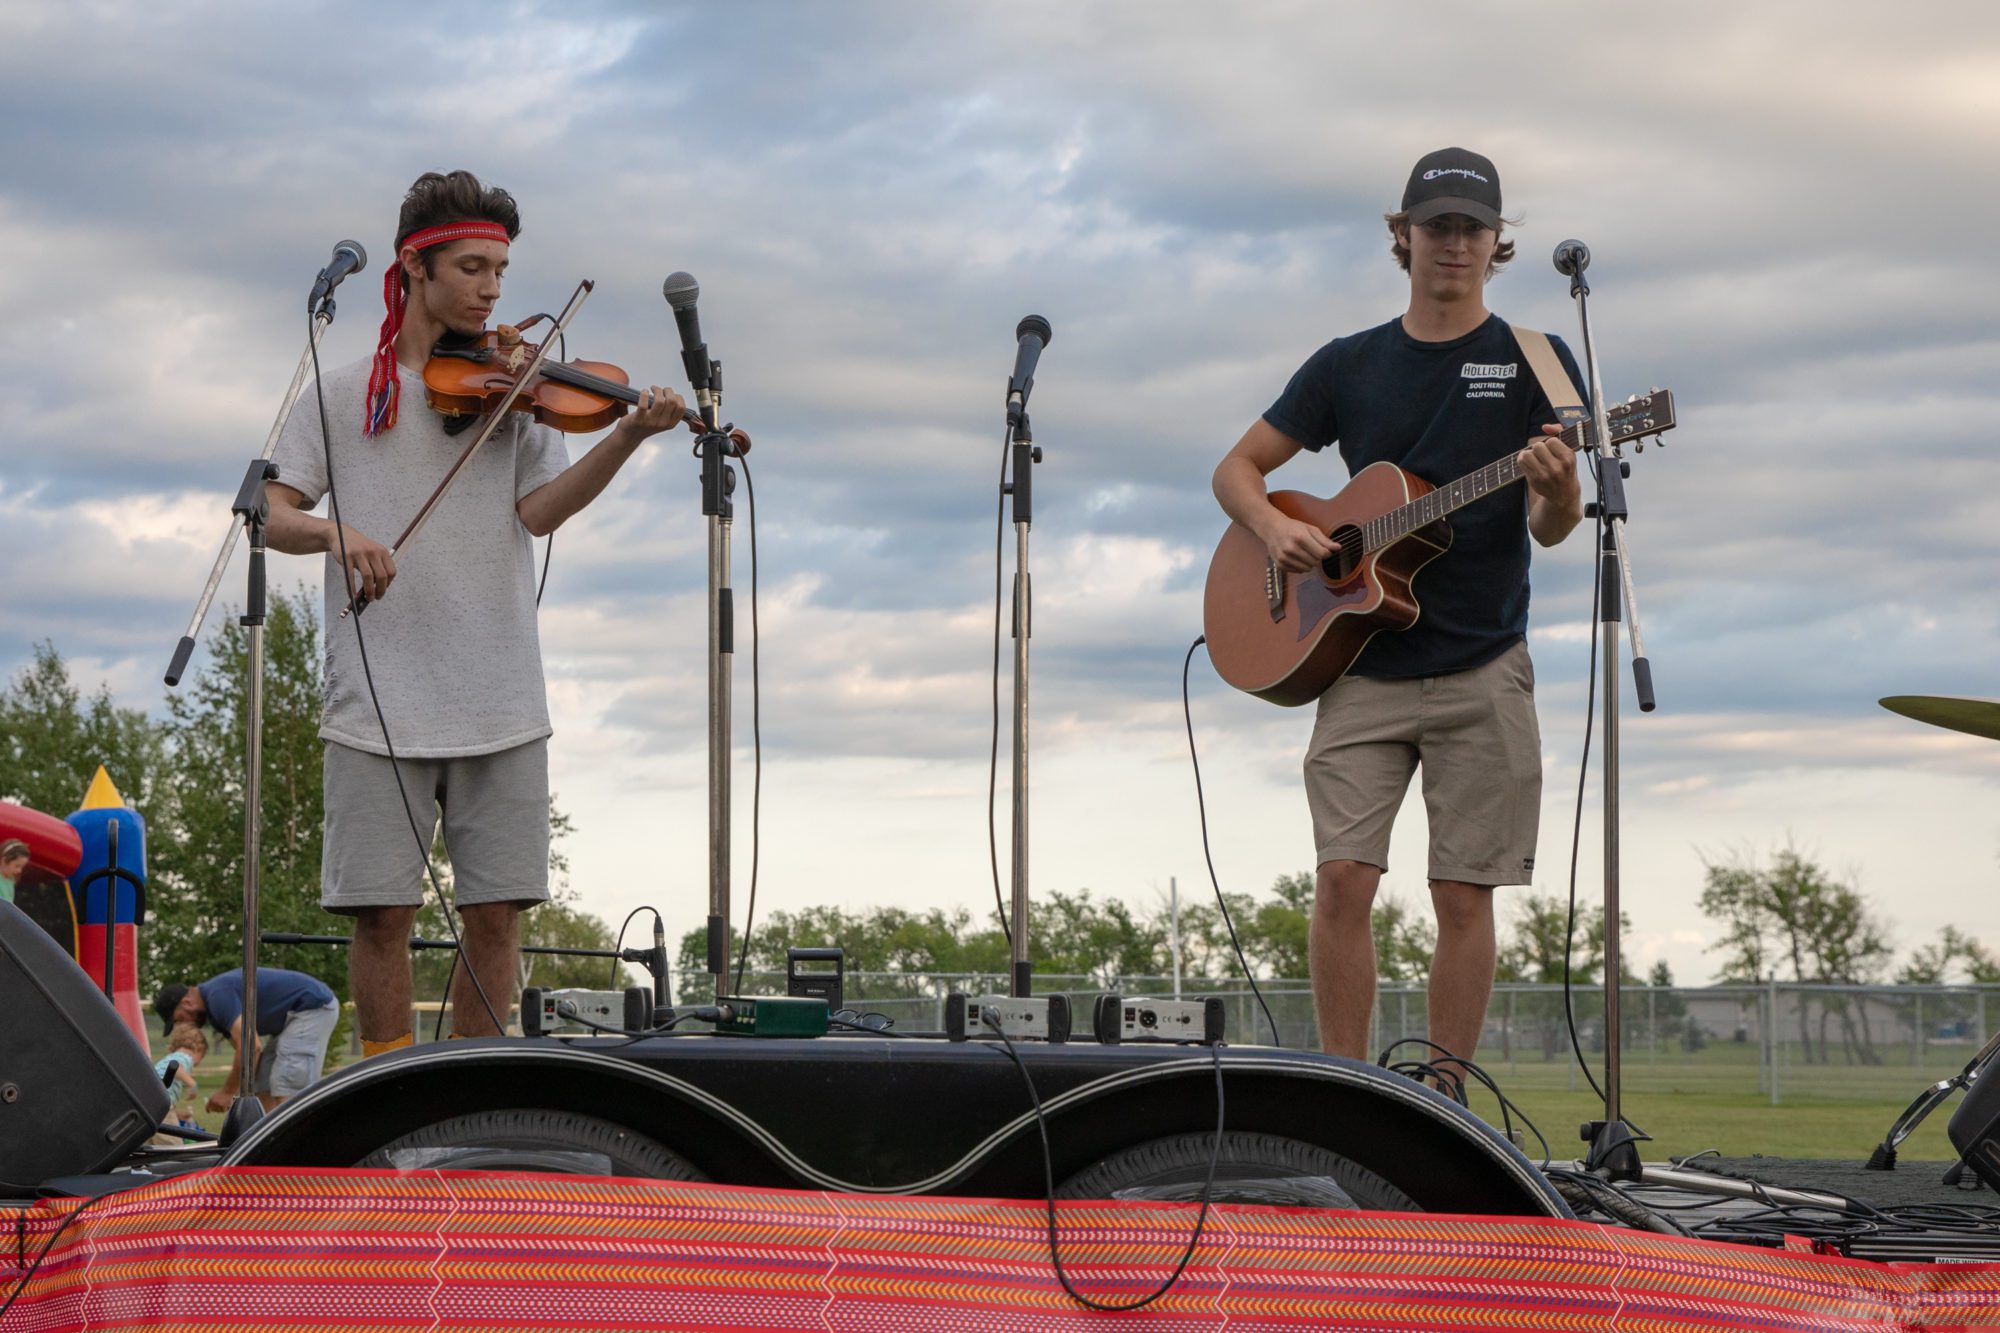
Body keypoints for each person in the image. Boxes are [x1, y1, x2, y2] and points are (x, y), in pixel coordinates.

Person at [265, 170, 687, 1055]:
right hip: (376, 702)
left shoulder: (514, 388)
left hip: (500, 697)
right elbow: (268, 512)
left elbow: (539, 511)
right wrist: (337, 533)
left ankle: (472, 1090)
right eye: (472, 267)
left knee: (497, 915)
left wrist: (624, 435)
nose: (493, 289)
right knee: (381, 914)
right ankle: (389, 1096)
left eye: (500, 270)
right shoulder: (341, 395)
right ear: (414, 268)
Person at [1211, 147, 1585, 1074]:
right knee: (1342, 880)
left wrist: (1560, 487)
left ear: (1497, 243)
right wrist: (1275, 529)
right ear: (1403, 236)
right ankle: (1350, 1091)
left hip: (1483, 664)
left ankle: (1442, 1099)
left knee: (1463, 894)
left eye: (1473, 228)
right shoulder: (1349, 363)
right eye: (1437, 225)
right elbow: (1237, 468)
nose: (1454, 243)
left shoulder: (1538, 359)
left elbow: (1551, 529)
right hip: (1360, 664)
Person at [152, 968, 338, 1111]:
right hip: (291, 1020)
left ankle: (297, 1146)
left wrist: (227, 1092)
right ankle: (266, 1142)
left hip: (312, 1007)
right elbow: (250, 1059)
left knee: (288, 1081)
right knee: (262, 1084)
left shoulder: (217, 996)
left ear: (187, 1003)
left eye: (179, 1019)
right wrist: (238, 1094)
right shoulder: (214, 1011)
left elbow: (250, 1047)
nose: (184, 1025)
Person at [153, 1022, 208, 1120]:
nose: (197, 1064)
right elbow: (176, 1068)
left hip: (153, 1100)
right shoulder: (185, 1057)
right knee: (170, 1130)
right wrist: (192, 1084)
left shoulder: (171, 1057)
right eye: (201, 1057)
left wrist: (176, 1114)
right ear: (197, 1049)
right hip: (161, 1103)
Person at [0, 839, 27, 905]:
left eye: (22, 867)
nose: (19, 870)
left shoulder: (10, 881)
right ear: (4, 860)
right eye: (17, 866)